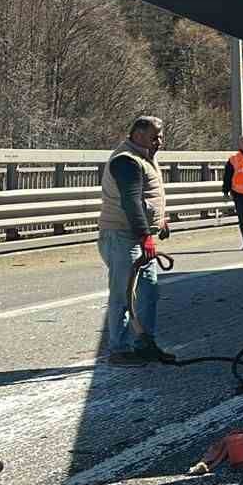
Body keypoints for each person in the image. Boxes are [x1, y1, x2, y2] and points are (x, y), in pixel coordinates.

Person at [98, 115, 173, 367]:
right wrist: (145, 237)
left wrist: (159, 220)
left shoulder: (145, 158)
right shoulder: (126, 161)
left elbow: (146, 197)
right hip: (122, 236)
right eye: (155, 136)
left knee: (149, 290)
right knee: (122, 294)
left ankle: (144, 343)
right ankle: (118, 350)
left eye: (160, 136)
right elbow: (130, 202)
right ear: (139, 134)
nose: (160, 141)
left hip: (139, 235)